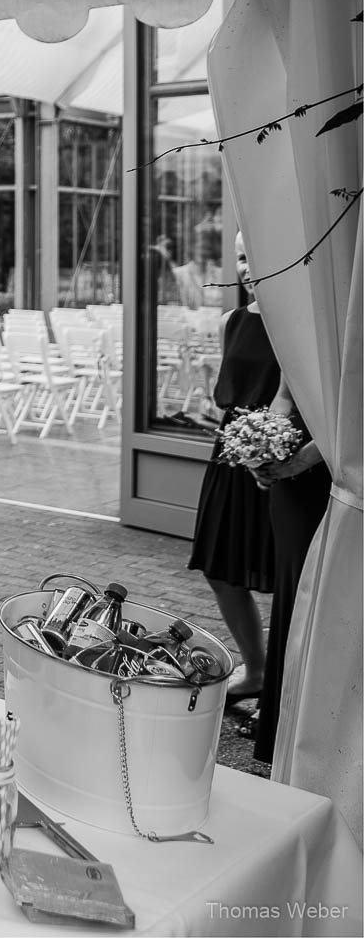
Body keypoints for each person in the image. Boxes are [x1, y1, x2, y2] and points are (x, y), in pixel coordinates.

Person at [186, 236, 275, 708]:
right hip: (230, 452)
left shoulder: (303, 324)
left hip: (281, 463)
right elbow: (231, 387)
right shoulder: (232, 321)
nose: (245, 266)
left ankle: (281, 681)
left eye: (254, 254)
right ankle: (256, 668)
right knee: (221, 566)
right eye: (241, 256)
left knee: (288, 575)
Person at [251, 379, 331, 762]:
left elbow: (350, 422)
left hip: (335, 475)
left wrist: (297, 461)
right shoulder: (299, 322)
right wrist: (263, 448)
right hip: (291, 483)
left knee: (323, 601)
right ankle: (281, 728)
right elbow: (285, 393)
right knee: (291, 596)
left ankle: (317, 737)